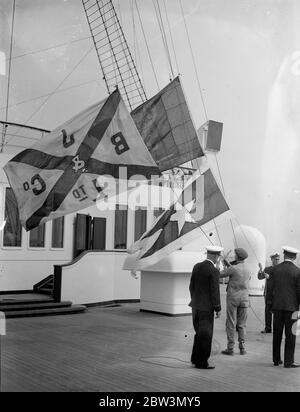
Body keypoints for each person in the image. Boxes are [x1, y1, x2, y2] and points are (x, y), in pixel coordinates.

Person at [189, 245, 222, 370]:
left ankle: (195, 358)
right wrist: (218, 308)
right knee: (206, 335)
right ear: (215, 256)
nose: (218, 258)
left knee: (198, 333)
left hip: (195, 306)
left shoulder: (197, 266)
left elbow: (191, 286)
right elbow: (215, 292)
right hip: (206, 308)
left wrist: (195, 299)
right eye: (218, 256)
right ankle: (202, 362)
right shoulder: (213, 271)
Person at [268, 246, 300, 368]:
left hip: (277, 307)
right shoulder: (298, 271)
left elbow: (270, 290)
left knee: (277, 333)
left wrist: (270, 305)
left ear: (284, 255)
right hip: (292, 308)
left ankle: (276, 360)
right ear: (295, 257)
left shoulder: (275, 269)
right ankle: (288, 361)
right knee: (291, 335)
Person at [220, 248, 251, 355]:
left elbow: (221, 274)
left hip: (233, 299)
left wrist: (219, 264)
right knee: (242, 324)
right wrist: (228, 264)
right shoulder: (248, 269)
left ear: (237, 257)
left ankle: (230, 348)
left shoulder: (233, 268)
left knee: (231, 323)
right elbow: (238, 273)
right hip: (245, 299)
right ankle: (242, 348)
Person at [257, 252, 280, 333]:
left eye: (278, 259)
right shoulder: (267, 269)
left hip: (278, 295)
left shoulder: (281, 269)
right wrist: (260, 269)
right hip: (269, 295)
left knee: (277, 313)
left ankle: (277, 330)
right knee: (268, 312)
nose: (277, 261)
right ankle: (268, 328)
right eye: (276, 259)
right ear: (272, 259)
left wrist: (270, 277)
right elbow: (260, 277)